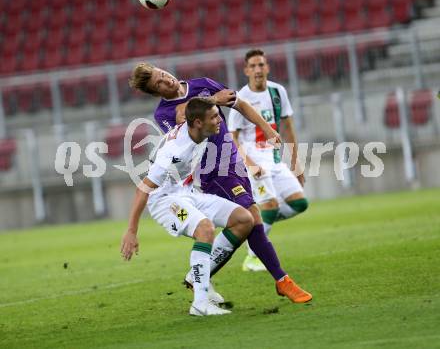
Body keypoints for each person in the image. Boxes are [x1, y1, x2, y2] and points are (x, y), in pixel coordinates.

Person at [128, 63, 312, 304]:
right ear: (156, 92)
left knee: (247, 222)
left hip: (234, 162)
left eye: (162, 74)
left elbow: (240, 103)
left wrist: (266, 128)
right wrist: (215, 99)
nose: (166, 81)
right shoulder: (164, 113)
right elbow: (188, 119)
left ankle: (199, 277)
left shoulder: (202, 83)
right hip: (211, 171)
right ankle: (282, 280)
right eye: (158, 84)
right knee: (252, 218)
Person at [121, 97, 255, 316]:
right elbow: (142, 189)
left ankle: (197, 275)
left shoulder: (194, 126)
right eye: (214, 117)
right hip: (164, 201)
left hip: (186, 193)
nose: (219, 120)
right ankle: (200, 304)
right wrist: (131, 231)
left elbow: (188, 105)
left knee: (243, 219)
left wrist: (214, 99)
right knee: (205, 229)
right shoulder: (174, 152)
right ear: (199, 123)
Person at [228, 49, 309, 272]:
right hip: (253, 164)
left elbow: (288, 128)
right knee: (270, 208)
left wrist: (296, 163)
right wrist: (250, 164)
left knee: (299, 204)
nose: (257, 70)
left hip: (275, 160)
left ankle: (255, 226)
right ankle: (252, 258)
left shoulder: (277, 91)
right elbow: (231, 138)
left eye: (261, 65)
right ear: (246, 71)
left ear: (267, 68)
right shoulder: (240, 98)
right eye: (253, 66)